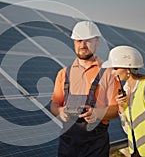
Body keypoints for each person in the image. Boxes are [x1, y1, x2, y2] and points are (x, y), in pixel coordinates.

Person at [50, 20, 119, 157]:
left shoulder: (108, 73)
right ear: (74, 43)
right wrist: (59, 111)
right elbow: (54, 104)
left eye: (87, 41)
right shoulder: (64, 73)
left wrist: (96, 113)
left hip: (95, 145)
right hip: (68, 144)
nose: (82, 45)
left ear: (97, 43)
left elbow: (116, 109)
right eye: (78, 41)